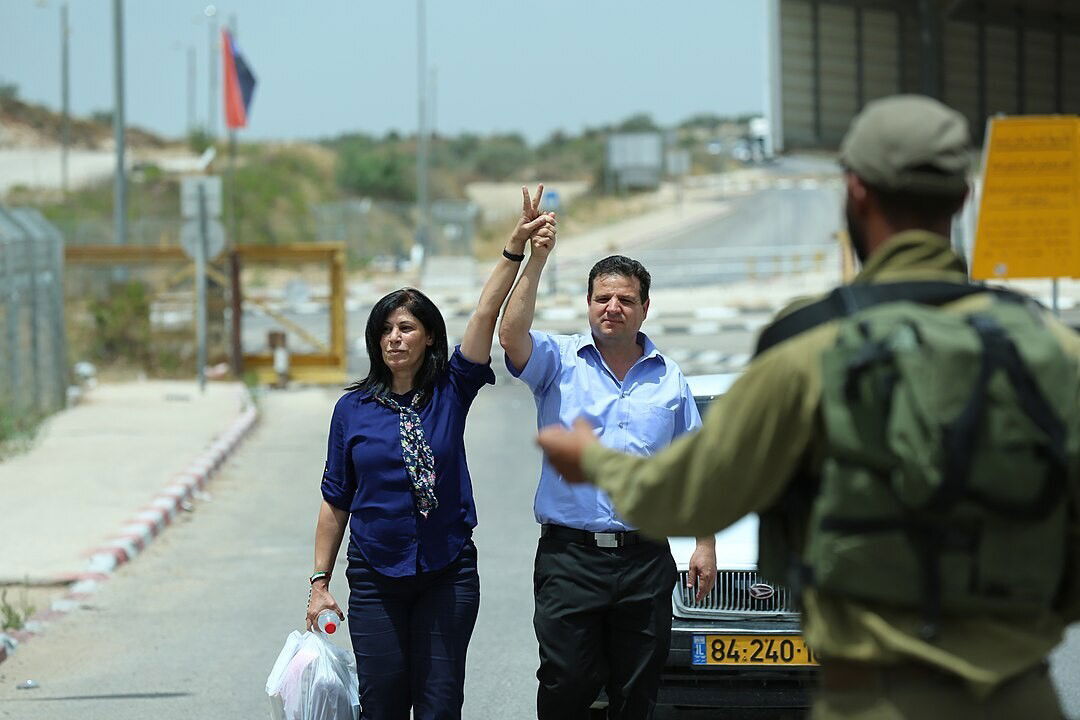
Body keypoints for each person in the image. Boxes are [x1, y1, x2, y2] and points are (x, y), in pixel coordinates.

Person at [536, 94, 1080, 720]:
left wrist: (596, 464)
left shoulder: (808, 348)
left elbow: (690, 494)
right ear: (962, 199)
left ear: (856, 195)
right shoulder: (1049, 350)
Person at [305, 186, 556, 720]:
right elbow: (335, 499)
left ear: (428, 338)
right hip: (375, 577)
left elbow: (487, 314)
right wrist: (319, 583)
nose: (394, 338)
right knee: (382, 705)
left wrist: (517, 249)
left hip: (448, 573)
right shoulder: (352, 410)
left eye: (406, 328)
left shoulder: (451, 390)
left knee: (440, 706)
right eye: (385, 331)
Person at [499, 231, 718, 718]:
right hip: (570, 557)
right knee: (567, 681)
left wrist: (705, 543)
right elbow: (510, 336)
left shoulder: (670, 379)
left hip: (645, 561)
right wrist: (535, 260)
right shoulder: (558, 363)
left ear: (645, 308)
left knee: (636, 691)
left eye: (625, 299)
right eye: (603, 298)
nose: (613, 307)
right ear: (588, 305)